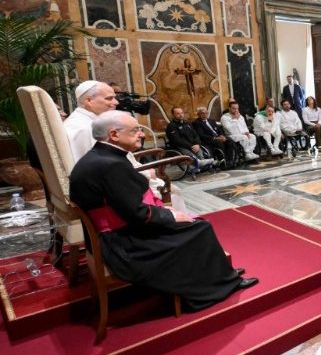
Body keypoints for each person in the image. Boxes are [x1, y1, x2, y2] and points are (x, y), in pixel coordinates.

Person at [69, 111, 257, 311]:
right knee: (200, 228)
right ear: (114, 134)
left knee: (194, 225)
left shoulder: (100, 156)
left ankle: (219, 274)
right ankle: (219, 285)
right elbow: (137, 214)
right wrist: (171, 215)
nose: (141, 134)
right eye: (135, 130)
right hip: (123, 246)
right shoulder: (111, 165)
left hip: (112, 236)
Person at [64, 80, 119, 162]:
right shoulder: (85, 128)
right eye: (109, 98)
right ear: (89, 101)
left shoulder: (87, 120)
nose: (116, 102)